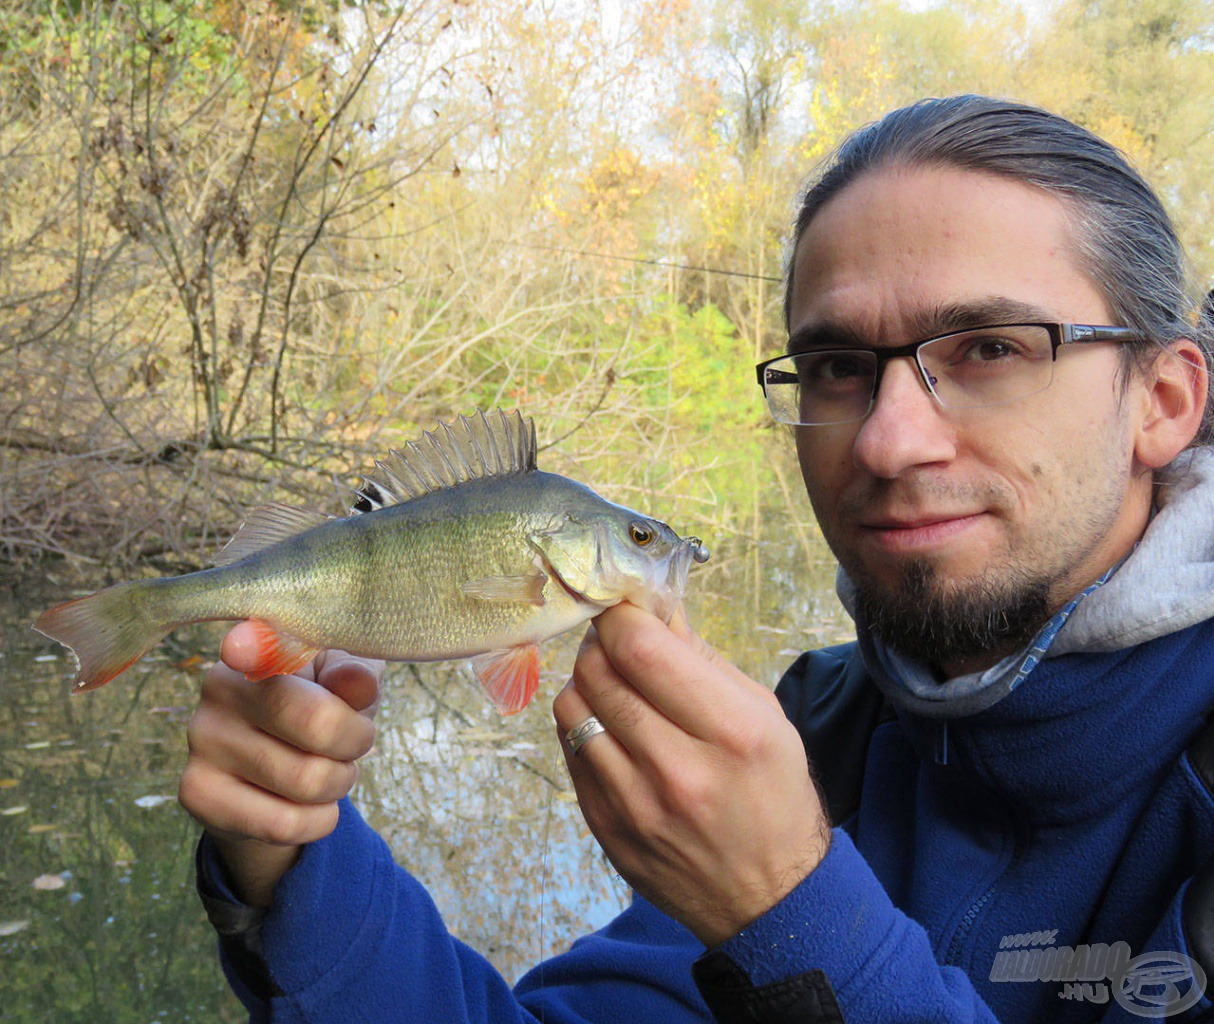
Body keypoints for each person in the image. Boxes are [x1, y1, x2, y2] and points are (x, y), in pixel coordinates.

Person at [180, 95, 1214, 1023]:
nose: (887, 440)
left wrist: (789, 916)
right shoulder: (820, 731)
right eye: (835, 367)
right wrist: (289, 861)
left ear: (1162, 402)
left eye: (988, 348)